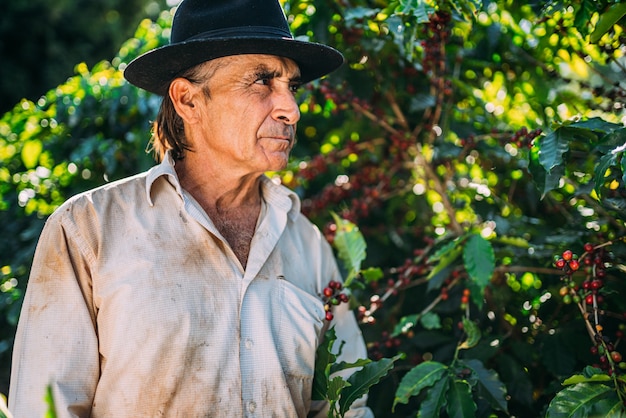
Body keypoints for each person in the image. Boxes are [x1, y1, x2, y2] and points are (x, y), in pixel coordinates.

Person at [8, 0, 373, 416]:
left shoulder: (306, 243)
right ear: (188, 100)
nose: (290, 108)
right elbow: (46, 407)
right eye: (261, 82)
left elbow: (348, 405)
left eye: (292, 86)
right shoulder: (88, 229)